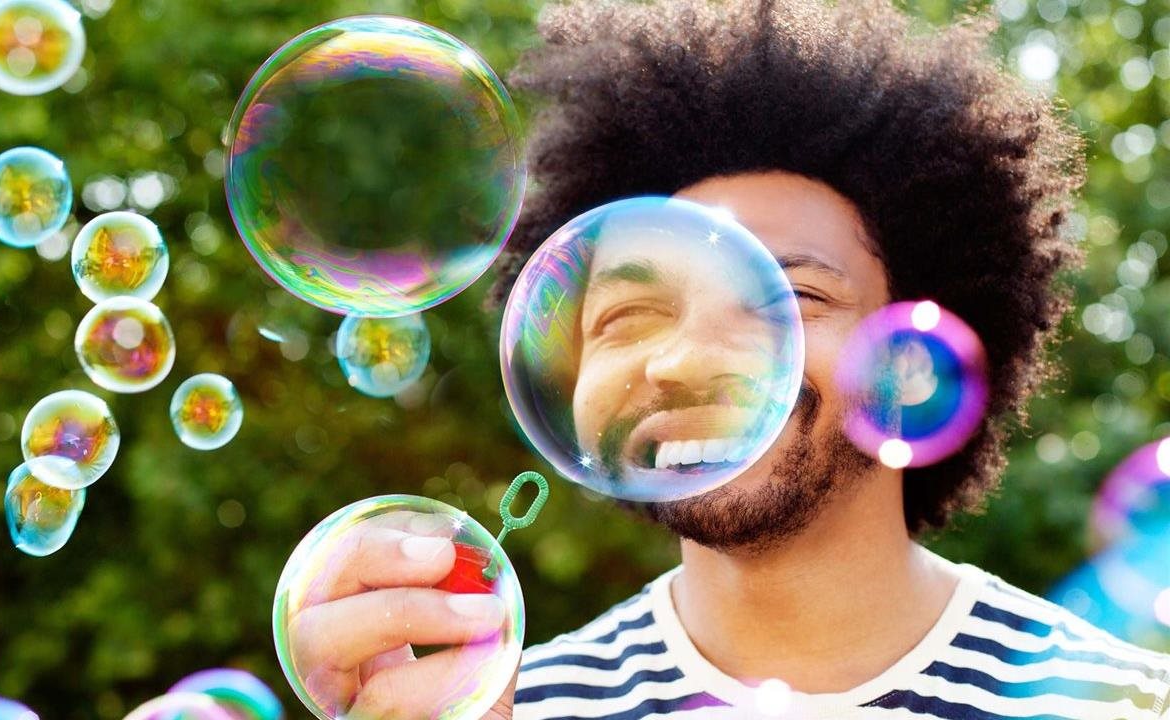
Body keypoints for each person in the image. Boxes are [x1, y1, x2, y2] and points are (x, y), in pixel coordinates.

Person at [284, 0, 1170, 718]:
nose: (682, 362)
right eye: (629, 315)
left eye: (789, 298)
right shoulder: (494, 707)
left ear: (913, 361)